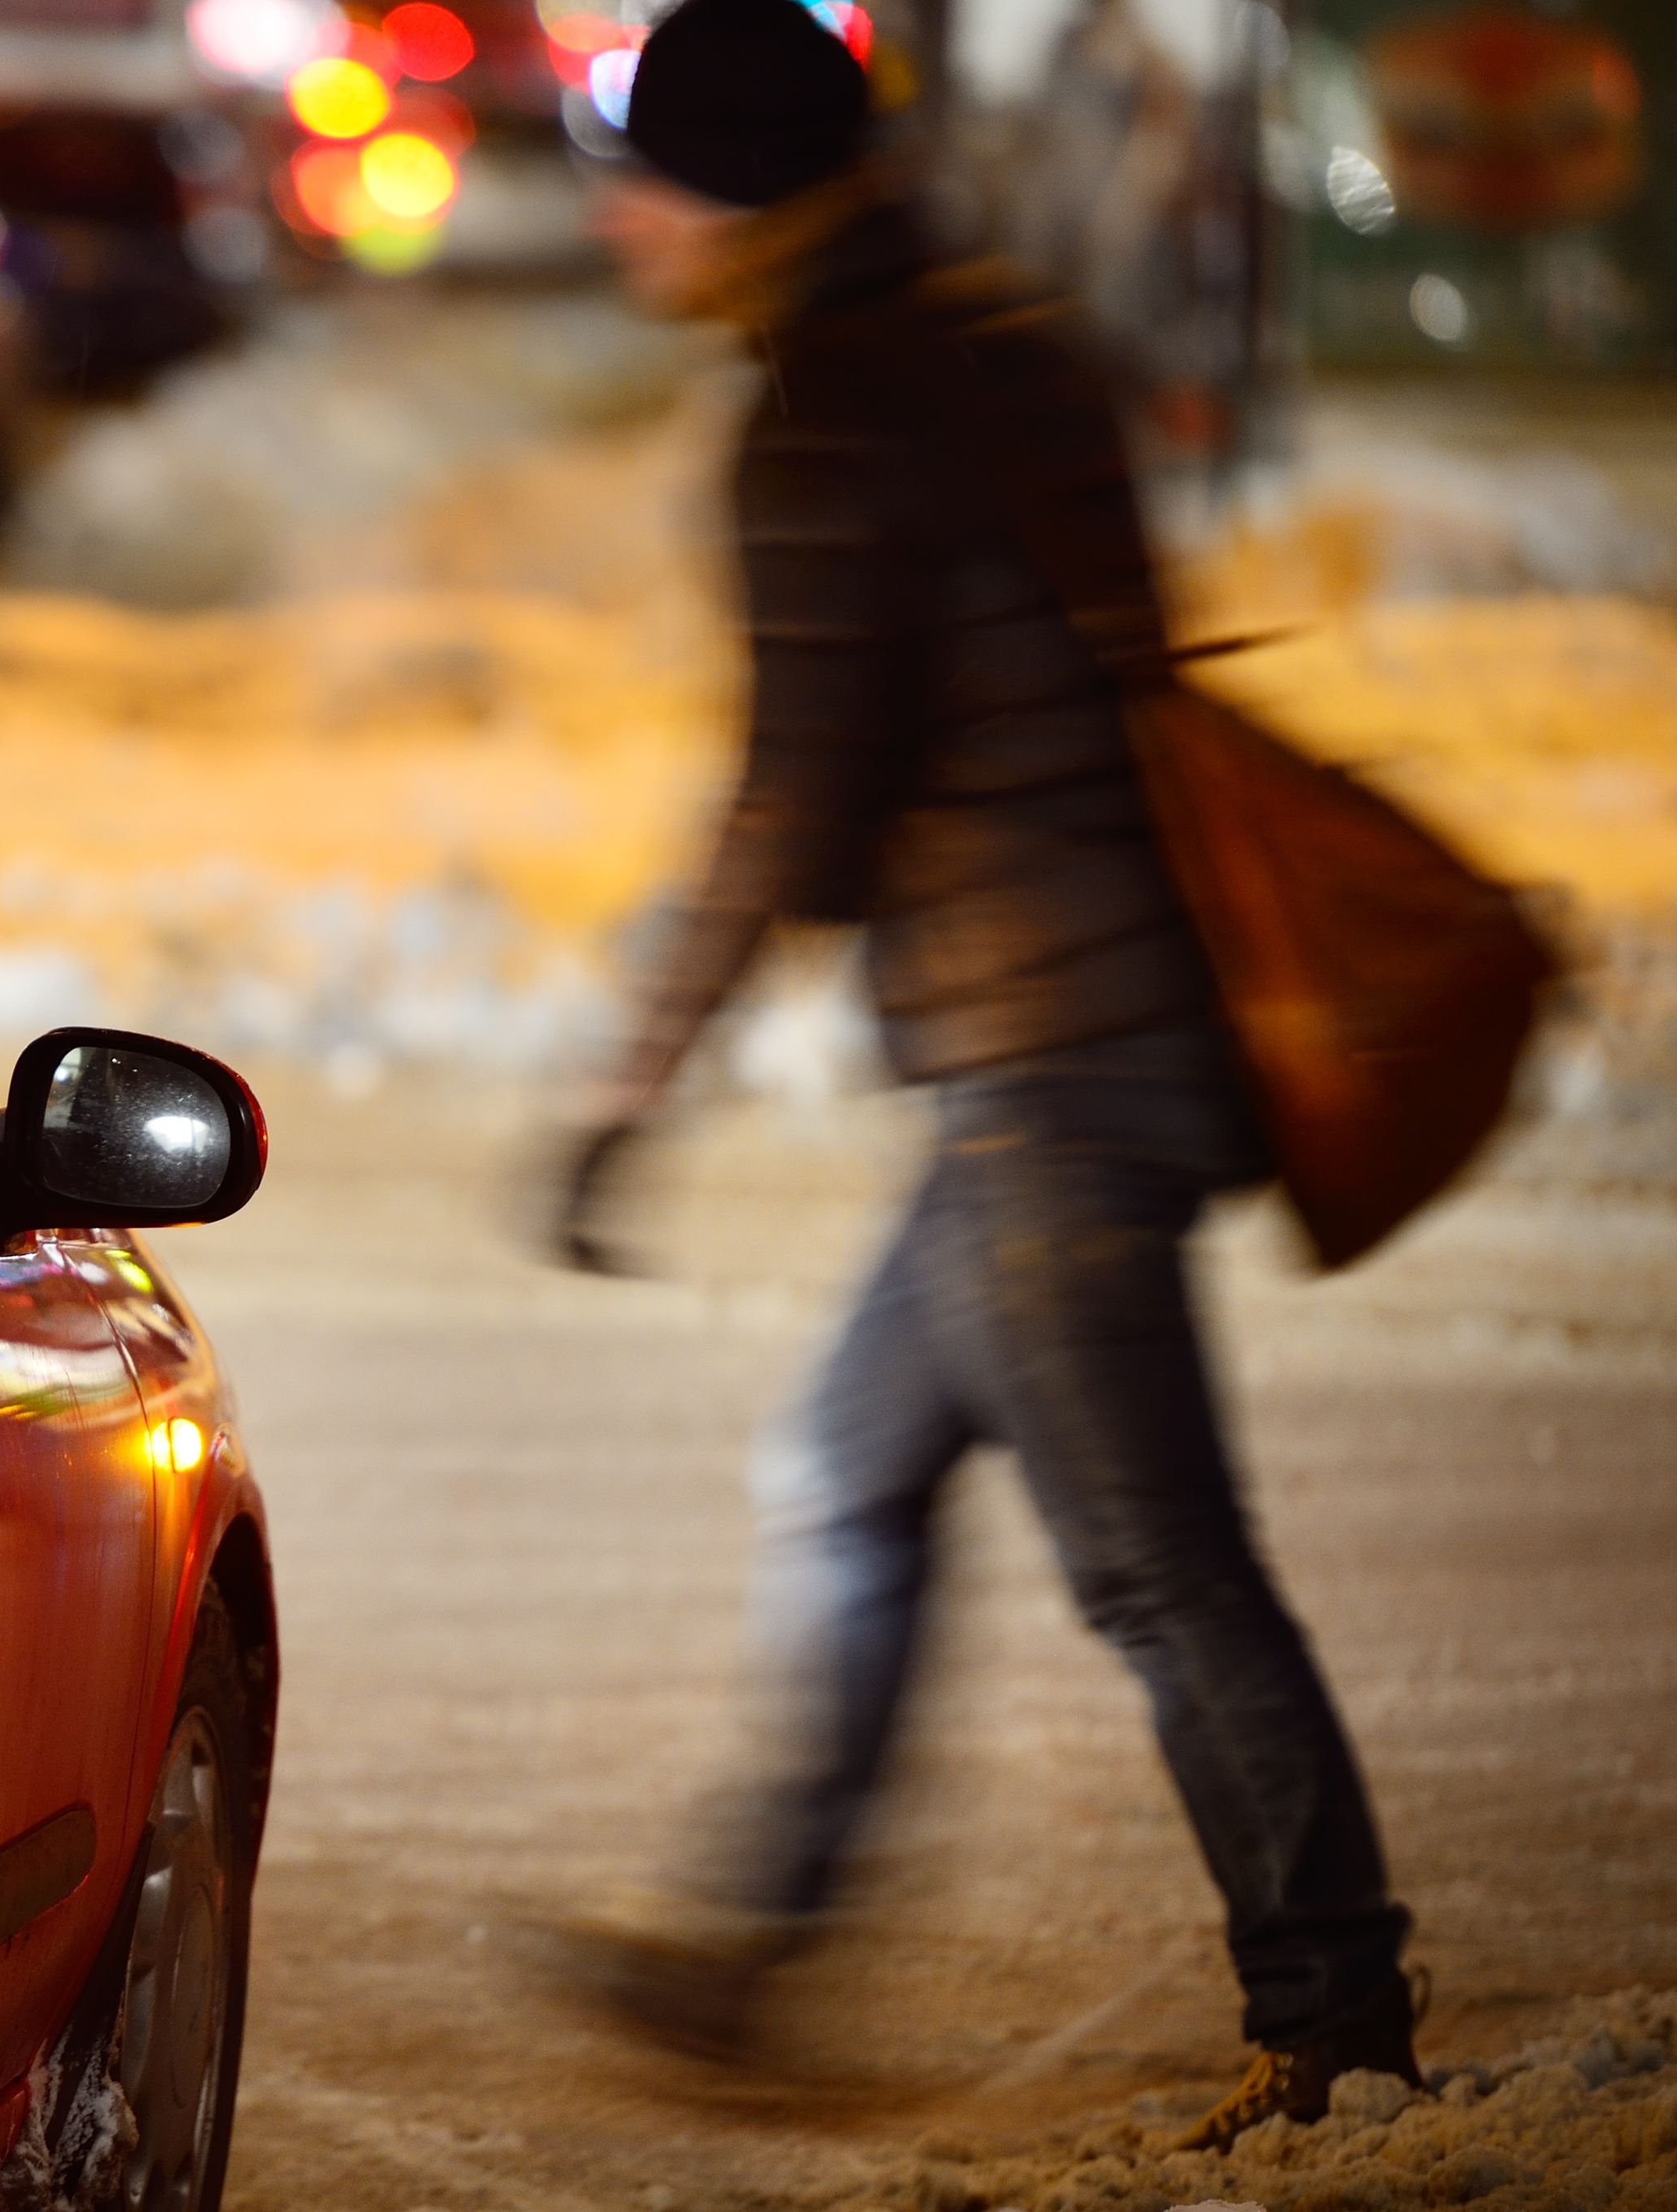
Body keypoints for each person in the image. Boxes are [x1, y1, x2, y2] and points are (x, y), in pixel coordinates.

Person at [558, 0, 1420, 2148]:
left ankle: (1336, 2020)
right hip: (1109, 1016)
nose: (622, 217)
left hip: (1058, 1051)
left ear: (731, 194)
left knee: (1156, 1560)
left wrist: (632, 1075)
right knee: (847, 1466)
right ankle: (756, 1935)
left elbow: (802, 801)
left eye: (646, 175)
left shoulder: (829, 413)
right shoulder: (992, 336)